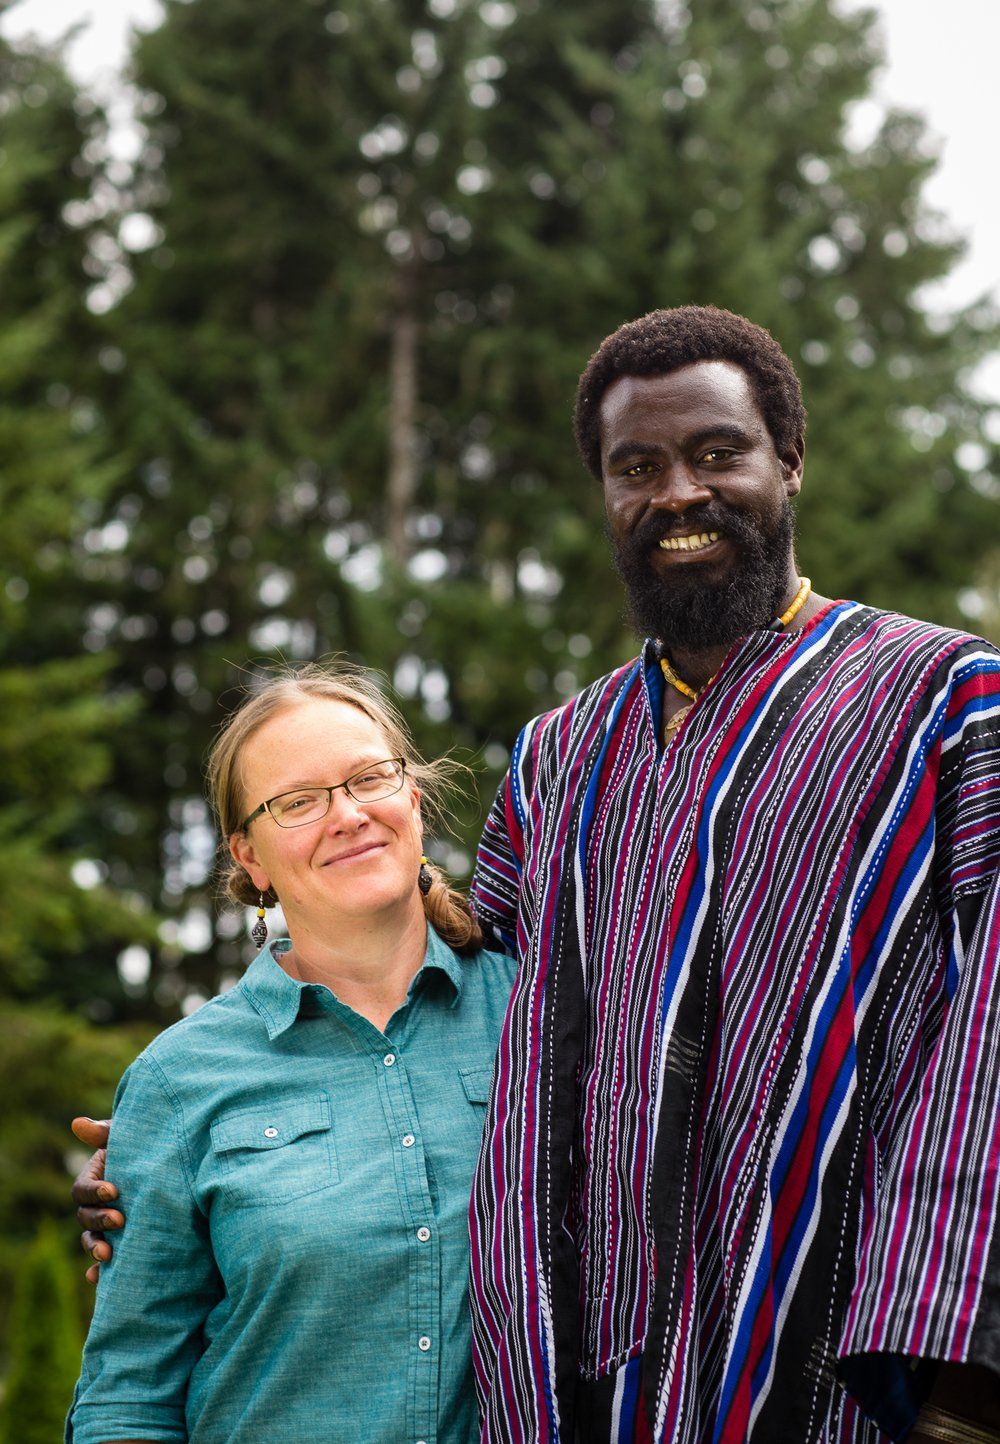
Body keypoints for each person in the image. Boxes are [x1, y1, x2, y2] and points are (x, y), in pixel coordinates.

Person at [468, 307, 1000, 1443]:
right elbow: (469, 1016)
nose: (677, 494)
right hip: (586, 1377)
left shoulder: (950, 706)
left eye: (718, 453)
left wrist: (960, 1376)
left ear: (789, 460)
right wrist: (192, 1167)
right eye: (637, 467)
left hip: (851, 1369)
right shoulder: (552, 759)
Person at [66, 664, 515, 1444]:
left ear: (413, 797)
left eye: (368, 778)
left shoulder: (539, 1015)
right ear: (250, 857)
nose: (347, 815)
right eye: (298, 802)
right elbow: (127, 1398)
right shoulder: (180, 1081)